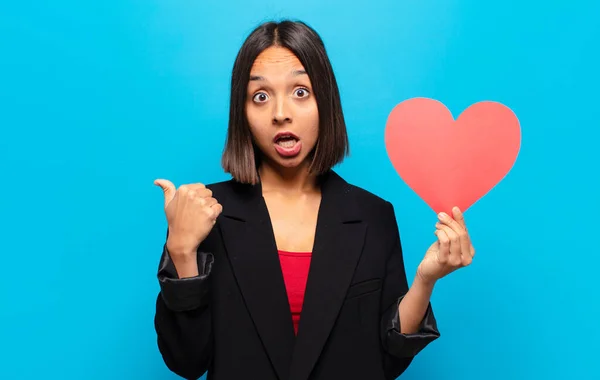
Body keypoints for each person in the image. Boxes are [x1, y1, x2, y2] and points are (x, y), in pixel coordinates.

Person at [153, 19, 476, 380]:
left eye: (301, 92)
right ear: (241, 113)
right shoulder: (205, 214)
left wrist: (425, 280)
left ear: (326, 100)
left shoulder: (373, 216)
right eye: (260, 96)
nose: (280, 113)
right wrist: (181, 249)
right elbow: (187, 361)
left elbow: (386, 361)